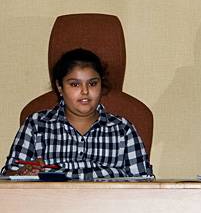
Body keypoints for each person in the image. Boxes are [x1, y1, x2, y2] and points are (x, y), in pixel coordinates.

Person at [1, 48, 153, 180]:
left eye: (92, 83)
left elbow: (143, 182)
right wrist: (23, 173)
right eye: (74, 84)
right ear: (59, 87)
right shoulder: (36, 125)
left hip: (108, 208)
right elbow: (8, 177)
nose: (85, 91)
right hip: (49, 207)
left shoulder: (122, 129)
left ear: (101, 84)